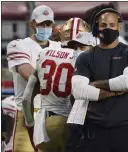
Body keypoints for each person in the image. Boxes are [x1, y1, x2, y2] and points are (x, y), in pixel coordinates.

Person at [71, 7, 128, 152]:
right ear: (96, 28)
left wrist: (95, 84)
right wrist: (115, 92)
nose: (108, 29)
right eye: (103, 25)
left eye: (112, 25)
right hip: (96, 129)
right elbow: (79, 91)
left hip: (126, 129)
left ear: (119, 27)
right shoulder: (85, 57)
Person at [22, 18, 95, 152]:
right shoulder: (86, 59)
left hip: (45, 126)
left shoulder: (44, 54)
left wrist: (31, 128)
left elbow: (26, 99)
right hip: (74, 126)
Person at [6, 5, 61, 152]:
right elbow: (28, 74)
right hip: (28, 113)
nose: (45, 27)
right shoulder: (18, 45)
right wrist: (60, 80)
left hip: (54, 114)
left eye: (48, 24)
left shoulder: (60, 46)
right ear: (32, 24)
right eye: (41, 23)